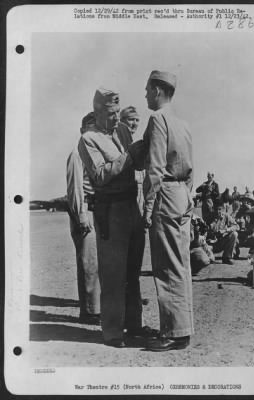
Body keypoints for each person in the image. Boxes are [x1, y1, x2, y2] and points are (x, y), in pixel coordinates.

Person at [78, 88, 152, 348]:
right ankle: (112, 332)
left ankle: (134, 325)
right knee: (113, 273)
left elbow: (138, 166)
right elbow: (99, 176)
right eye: (110, 114)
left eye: (117, 113)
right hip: (110, 212)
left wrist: (145, 149)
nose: (115, 118)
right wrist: (129, 156)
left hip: (132, 206)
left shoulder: (121, 130)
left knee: (132, 271)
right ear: (97, 112)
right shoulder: (88, 139)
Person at [142, 70, 194, 351]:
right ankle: (181, 328)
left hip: (165, 194)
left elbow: (155, 169)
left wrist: (148, 207)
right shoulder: (182, 123)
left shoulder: (158, 119)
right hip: (183, 194)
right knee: (181, 264)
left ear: (159, 91)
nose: (146, 94)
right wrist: (186, 196)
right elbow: (191, 169)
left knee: (166, 266)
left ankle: (175, 333)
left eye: (148, 89)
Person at [66, 112, 100, 324]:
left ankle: (96, 307)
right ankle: (89, 311)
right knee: (88, 263)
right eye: (89, 127)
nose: (92, 132)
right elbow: (75, 188)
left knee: (97, 263)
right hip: (85, 210)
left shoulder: (95, 154)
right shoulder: (77, 154)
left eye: (95, 128)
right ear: (82, 131)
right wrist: (81, 214)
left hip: (99, 210)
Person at [120, 106, 144, 213]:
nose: (134, 124)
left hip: (139, 195)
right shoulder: (116, 144)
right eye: (130, 119)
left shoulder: (136, 145)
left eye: (137, 120)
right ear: (121, 121)